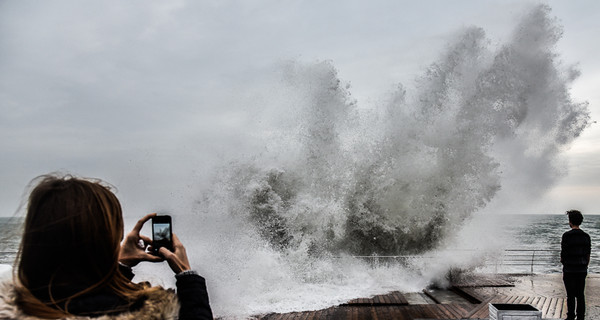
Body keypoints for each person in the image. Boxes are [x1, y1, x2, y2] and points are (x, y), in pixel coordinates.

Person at [0, 174, 213, 319]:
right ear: (107, 240)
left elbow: (78, 298)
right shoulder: (141, 312)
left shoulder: (13, 308)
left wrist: (119, 266)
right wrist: (188, 277)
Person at [561, 210, 591, 320]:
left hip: (569, 269)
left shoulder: (566, 236)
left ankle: (570, 316)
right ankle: (581, 317)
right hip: (581, 269)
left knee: (570, 295)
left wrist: (564, 262)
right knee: (580, 295)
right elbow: (588, 254)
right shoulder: (586, 236)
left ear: (570, 222)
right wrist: (585, 265)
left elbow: (563, 254)